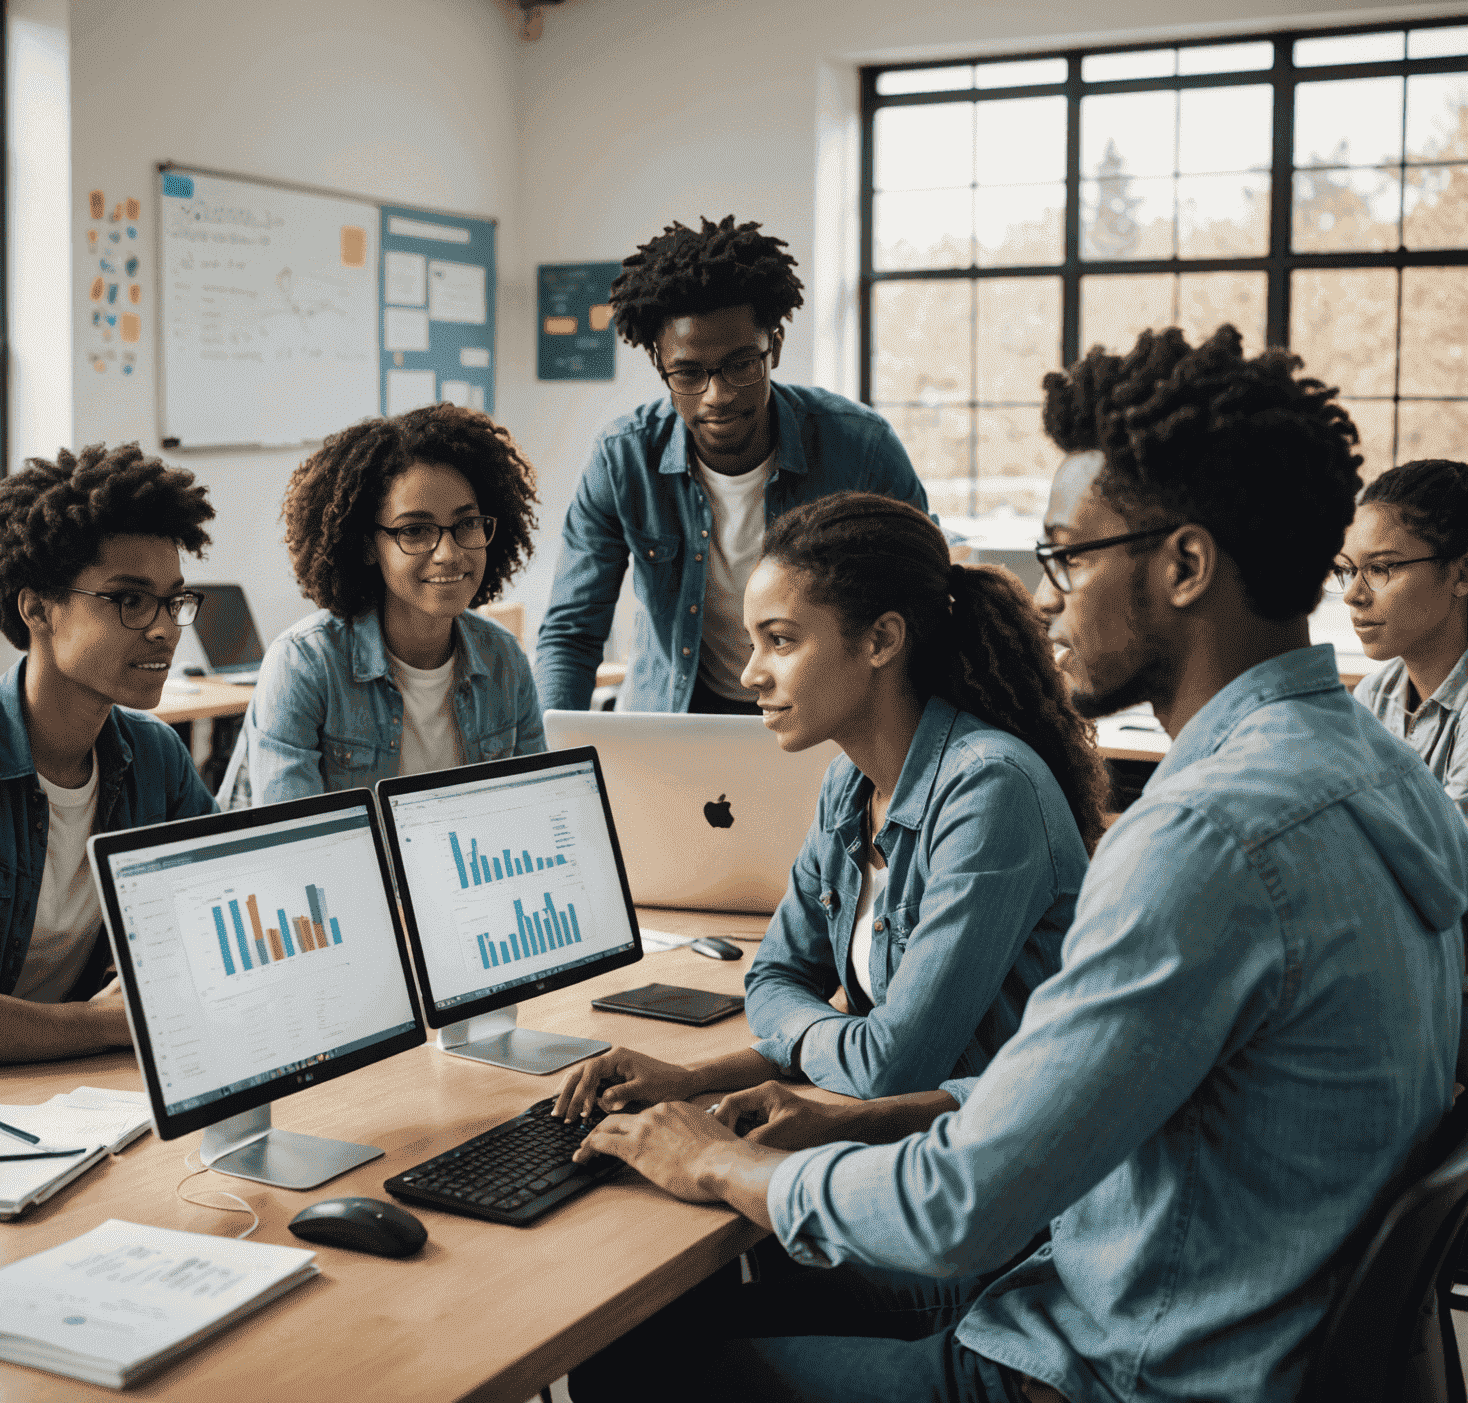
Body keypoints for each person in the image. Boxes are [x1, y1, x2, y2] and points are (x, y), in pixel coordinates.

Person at [564, 325, 1468, 1403]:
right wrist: (871, 1116)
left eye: (1067, 557)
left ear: (1184, 565)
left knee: (644, 1363)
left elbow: (960, 1211)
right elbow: (1127, 1079)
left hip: (1117, 1368)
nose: (1044, 598)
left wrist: (721, 1161)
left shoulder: (1203, 838)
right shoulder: (1382, 769)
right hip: (1252, 1333)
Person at [555, 492, 1105, 1122]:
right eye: (753, 643)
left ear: (881, 640)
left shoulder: (989, 790)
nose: (750, 675)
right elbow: (772, 981)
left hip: (1002, 1190)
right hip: (912, 1147)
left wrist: (825, 1040)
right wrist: (695, 1079)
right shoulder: (848, 783)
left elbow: (894, 1066)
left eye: (780, 641)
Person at [534, 215, 933, 716]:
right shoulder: (623, 459)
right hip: (677, 716)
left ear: (775, 346)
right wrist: (554, 763)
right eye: (689, 373)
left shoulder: (861, 449)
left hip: (825, 717)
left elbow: (926, 604)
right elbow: (571, 634)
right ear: (661, 364)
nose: (717, 396)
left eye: (742, 365)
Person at [0, 443, 217, 1066]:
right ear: (37, 608)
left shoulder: (155, 756)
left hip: (87, 1091)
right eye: (130, 600)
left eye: (174, 600)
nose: (165, 628)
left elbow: (217, 910)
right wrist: (103, 1023)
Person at [219, 405, 544, 807]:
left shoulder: (505, 661)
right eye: (416, 530)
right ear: (368, 546)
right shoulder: (305, 665)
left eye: (467, 523)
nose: (447, 553)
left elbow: (534, 815)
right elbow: (296, 845)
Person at [1340, 459, 1468, 820]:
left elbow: (1454, 863)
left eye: (1379, 568)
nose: (1352, 595)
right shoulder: (1373, 697)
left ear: (1461, 573)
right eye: (1349, 570)